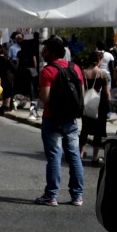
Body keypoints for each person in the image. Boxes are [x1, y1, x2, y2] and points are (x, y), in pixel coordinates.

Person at [33, 37, 86, 207]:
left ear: (52, 52)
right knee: (74, 156)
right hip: (70, 119)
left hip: (52, 118)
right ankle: (77, 196)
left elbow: (45, 98)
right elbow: (81, 94)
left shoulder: (48, 70)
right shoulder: (76, 68)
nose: (43, 52)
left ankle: (51, 196)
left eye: (45, 50)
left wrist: (40, 91)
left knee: (54, 157)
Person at [79, 50, 111, 166]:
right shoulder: (103, 74)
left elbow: (81, 90)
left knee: (84, 129)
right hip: (99, 105)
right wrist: (110, 103)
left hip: (86, 103)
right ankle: (95, 157)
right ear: (99, 61)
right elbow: (107, 93)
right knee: (98, 131)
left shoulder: (83, 73)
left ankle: (80, 152)